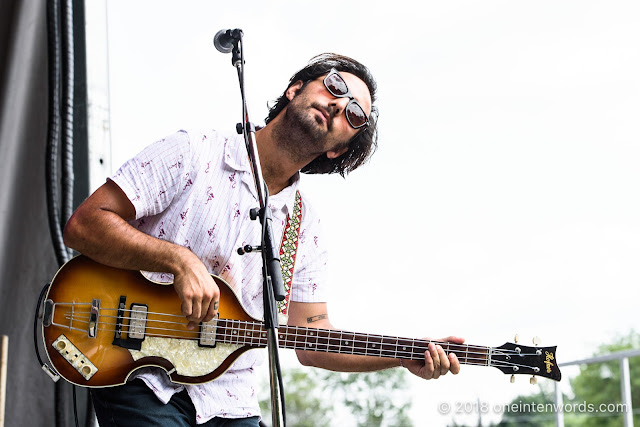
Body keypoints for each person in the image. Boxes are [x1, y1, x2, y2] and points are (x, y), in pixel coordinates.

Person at [63, 53, 464, 426]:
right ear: (295, 89)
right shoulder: (193, 152)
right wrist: (178, 261)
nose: (341, 105)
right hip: (136, 366)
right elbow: (85, 224)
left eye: (355, 113)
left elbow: (312, 341)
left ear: (339, 149)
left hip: (229, 397)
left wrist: (404, 355)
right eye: (335, 86)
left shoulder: (305, 228)